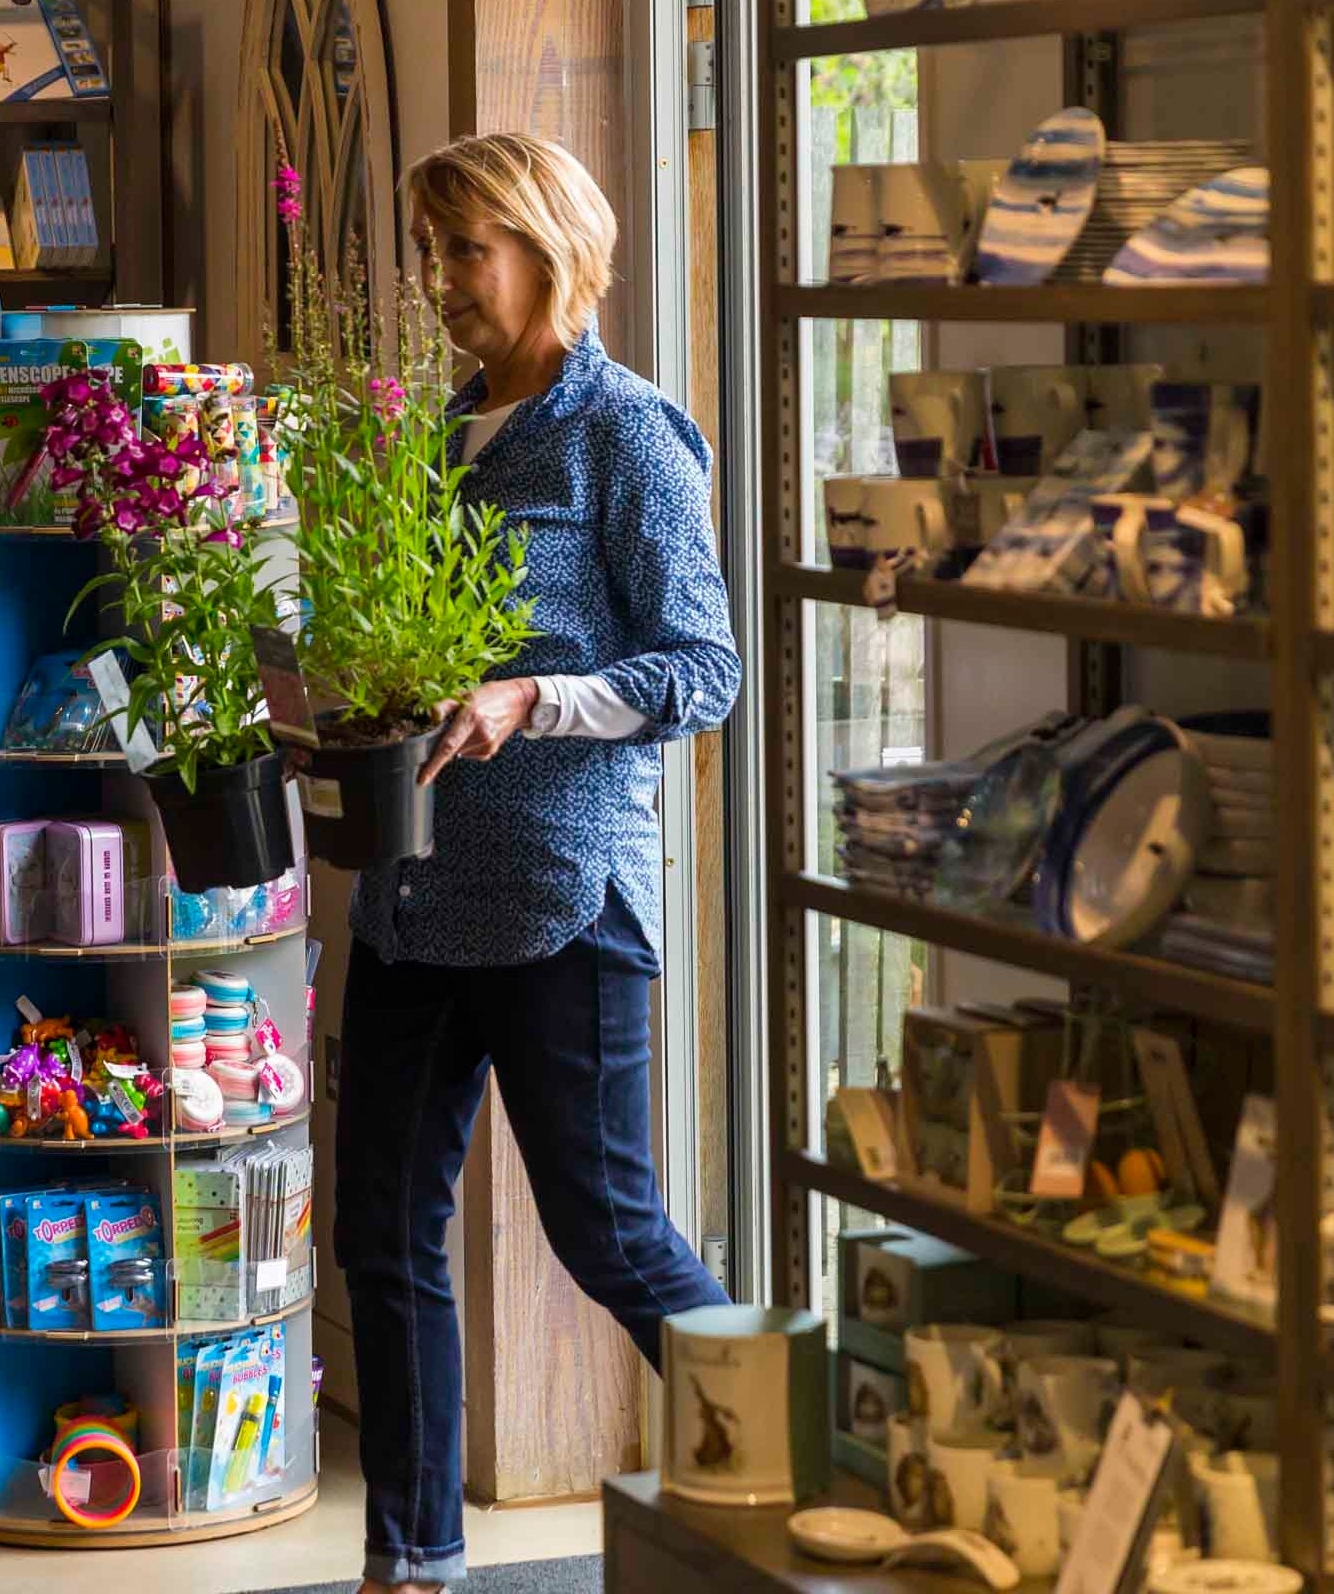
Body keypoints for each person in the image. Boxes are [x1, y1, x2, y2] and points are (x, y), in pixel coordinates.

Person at [336, 131, 739, 1594]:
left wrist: (528, 698)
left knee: (613, 1235)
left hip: (566, 896)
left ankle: (784, 1487)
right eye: (434, 252)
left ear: (551, 250)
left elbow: (707, 668)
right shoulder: (429, 435)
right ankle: (412, 1562)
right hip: (413, 898)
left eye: (468, 249)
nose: (444, 281)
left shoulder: (625, 430)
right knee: (378, 1239)